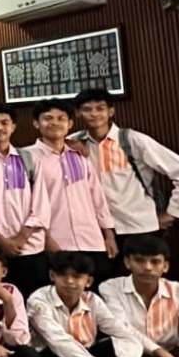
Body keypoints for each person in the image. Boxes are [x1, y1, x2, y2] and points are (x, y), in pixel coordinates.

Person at [26, 252, 143, 357]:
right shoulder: (38, 300)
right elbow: (58, 341)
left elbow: (126, 335)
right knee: (62, 351)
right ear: (52, 276)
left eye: (77, 276)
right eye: (63, 275)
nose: (69, 281)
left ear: (88, 281)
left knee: (113, 344)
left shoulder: (93, 300)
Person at [72, 89, 179, 244]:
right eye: (87, 109)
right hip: (97, 230)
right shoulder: (73, 143)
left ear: (111, 111)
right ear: (78, 113)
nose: (94, 114)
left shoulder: (131, 140)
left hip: (139, 227)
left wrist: (173, 213)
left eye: (100, 108)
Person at [24, 101, 117, 277]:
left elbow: (97, 197)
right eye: (48, 118)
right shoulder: (27, 157)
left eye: (61, 119)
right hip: (55, 243)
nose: (55, 123)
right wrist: (47, 239)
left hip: (91, 241)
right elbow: (26, 206)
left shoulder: (80, 156)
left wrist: (108, 235)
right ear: (36, 123)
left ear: (70, 124)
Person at [0, 103, 49, 293]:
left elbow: (41, 203)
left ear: (13, 126)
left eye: (4, 123)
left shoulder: (29, 159)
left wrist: (21, 237)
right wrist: (2, 241)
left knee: (33, 301)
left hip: (30, 247)